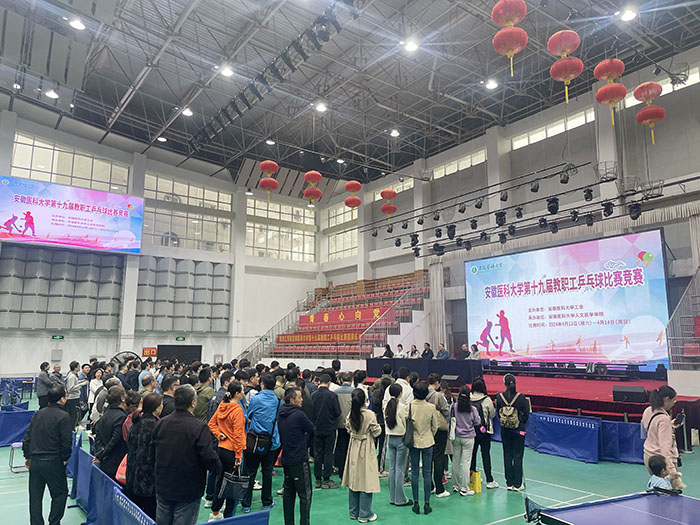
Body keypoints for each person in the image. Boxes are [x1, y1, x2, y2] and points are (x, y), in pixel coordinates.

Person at [153, 384, 221, 525]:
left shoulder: (161, 423)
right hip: (188, 488)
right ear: (193, 402)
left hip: (163, 484)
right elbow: (208, 456)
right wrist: (219, 469)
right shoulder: (199, 427)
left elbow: (152, 451)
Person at [23, 386, 72, 525]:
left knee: (35, 497)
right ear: (62, 399)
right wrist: (65, 458)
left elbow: (28, 437)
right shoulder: (64, 416)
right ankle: (54, 522)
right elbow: (66, 441)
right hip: (53, 462)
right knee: (60, 494)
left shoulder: (38, 414)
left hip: (35, 462)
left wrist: (27, 456)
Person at [241, 373, 282, 513]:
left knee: (249, 472)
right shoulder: (278, 401)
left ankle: (246, 504)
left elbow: (250, 415)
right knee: (267, 472)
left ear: (262, 385)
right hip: (271, 442)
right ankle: (267, 502)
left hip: (254, 441)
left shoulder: (256, 399)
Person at [208, 381, 246, 521]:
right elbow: (238, 435)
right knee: (232, 484)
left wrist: (219, 435)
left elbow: (211, 423)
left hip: (221, 449)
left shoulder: (222, 405)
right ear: (237, 394)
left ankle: (215, 512)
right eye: (242, 391)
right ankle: (229, 516)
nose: (243, 393)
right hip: (232, 451)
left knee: (220, 481)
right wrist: (238, 455)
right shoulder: (237, 410)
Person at [342, 389, 381, 523]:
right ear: (365, 400)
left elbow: (348, 428)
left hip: (353, 446)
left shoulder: (351, 414)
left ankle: (353, 511)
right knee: (366, 479)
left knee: (354, 479)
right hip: (366, 447)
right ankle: (365, 513)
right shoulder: (369, 414)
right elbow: (376, 431)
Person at [279, 388, 314, 525]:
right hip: (299, 459)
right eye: (299, 397)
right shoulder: (299, 415)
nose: (302, 399)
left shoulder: (280, 413)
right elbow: (311, 429)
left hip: (286, 458)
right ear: (292, 400)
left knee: (289, 494)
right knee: (305, 494)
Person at [125, 393, 163, 519]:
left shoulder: (135, 423)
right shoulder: (156, 426)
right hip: (148, 482)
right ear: (156, 408)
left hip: (131, 477)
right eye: (161, 404)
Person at [642, 385, 683, 489]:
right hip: (662, 462)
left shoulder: (648, 410)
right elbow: (665, 448)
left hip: (649, 457)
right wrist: (672, 470)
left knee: (657, 490)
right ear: (667, 399)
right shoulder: (664, 419)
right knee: (671, 494)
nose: (674, 403)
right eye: (673, 400)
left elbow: (649, 430)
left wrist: (670, 426)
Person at [408, 382, 439, 515]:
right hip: (428, 441)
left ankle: (416, 503)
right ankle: (427, 503)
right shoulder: (431, 407)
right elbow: (435, 426)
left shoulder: (408, 407)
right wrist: (430, 435)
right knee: (427, 473)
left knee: (414, 473)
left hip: (413, 442)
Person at [495, 374, 530, 491]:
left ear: (504, 383)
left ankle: (509, 483)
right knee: (518, 456)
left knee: (507, 455)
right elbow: (526, 414)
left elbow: (498, 413)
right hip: (519, 431)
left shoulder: (499, 397)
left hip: (505, 430)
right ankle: (518, 484)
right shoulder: (521, 398)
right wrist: (520, 422)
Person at [450, 385, 482, 496]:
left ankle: (456, 485)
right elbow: (477, 422)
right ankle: (464, 488)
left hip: (456, 437)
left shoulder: (453, 406)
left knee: (455, 461)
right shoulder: (473, 409)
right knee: (466, 463)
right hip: (468, 438)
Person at [384, 383, 412, 507]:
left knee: (392, 468)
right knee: (400, 469)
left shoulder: (387, 406)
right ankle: (400, 499)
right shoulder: (402, 407)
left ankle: (392, 497)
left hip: (390, 439)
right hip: (401, 439)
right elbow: (405, 422)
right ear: (400, 394)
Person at [311, 373, 341, 489]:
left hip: (317, 428)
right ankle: (326, 479)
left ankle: (317, 479)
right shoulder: (332, 395)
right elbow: (337, 412)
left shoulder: (313, 395)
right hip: (330, 428)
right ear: (329, 383)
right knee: (329, 453)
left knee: (317, 453)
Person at [94, 385, 128, 480]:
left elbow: (98, 437)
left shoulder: (105, 416)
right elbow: (115, 440)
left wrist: (100, 454)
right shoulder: (121, 417)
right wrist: (103, 454)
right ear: (122, 398)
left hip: (105, 462)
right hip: (116, 462)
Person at [469, 377, 498, 489]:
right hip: (485, 431)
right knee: (486, 455)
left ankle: (472, 477)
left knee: (472, 454)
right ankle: (489, 480)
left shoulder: (468, 398)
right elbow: (492, 414)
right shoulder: (487, 400)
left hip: (471, 430)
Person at [426, 374, 450, 498]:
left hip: (426, 428)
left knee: (428, 457)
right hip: (439, 429)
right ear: (437, 382)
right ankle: (439, 488)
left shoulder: (422, 393)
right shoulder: (438, 396)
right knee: (439, 458)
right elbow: (446, 411)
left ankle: (429, 486)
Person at [335, 372, 354, 478]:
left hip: (338, 423)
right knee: (350, 448)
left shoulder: (335, 392)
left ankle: (341, 471)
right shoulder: (355, 391)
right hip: (351, 424)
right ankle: (350, 472)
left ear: (341, 380)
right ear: (351, 380)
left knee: (340, 447)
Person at [371, 377, 392, 476]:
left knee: (373, 445)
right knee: (382, 447)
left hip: (375, 421)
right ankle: (380, 469)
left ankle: (370, 468)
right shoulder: (388, 396)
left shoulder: (375, 393)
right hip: (383, 423)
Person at [64, 361, 86, 428]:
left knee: (74, 414)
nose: (80, 368)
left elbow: (74, 383)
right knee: (73, 415)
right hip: (72, 398)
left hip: (74, 398)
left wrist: (80, 381)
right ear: (75, 368)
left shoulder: (73, 375)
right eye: (79, 366)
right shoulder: (72, 376)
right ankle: (72, 429)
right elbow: (71, 388)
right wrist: (82, 384)